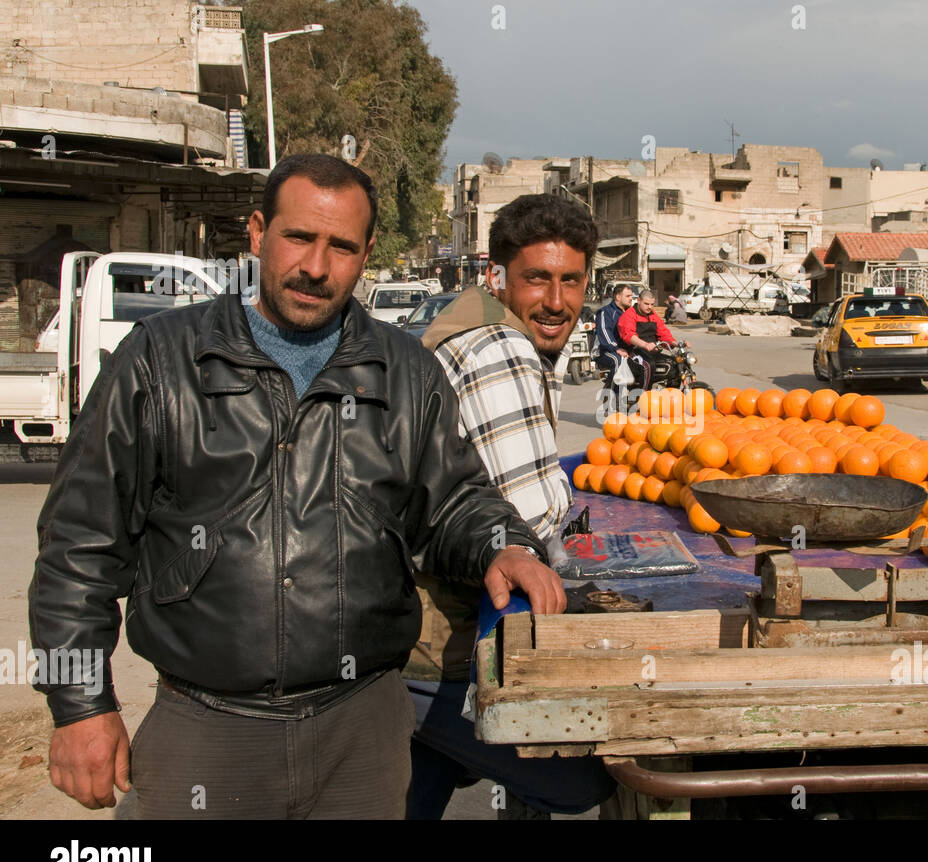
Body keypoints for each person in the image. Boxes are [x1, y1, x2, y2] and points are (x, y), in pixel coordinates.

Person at [28, 153, 563, 819]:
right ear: (257, 233)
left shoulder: (403, 372)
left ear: (367, 253)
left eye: (341, 247)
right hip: (206, 728)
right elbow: (79, 544)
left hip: (363, 730)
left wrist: (502, 544)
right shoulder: (162, 361)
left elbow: (452, 498)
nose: (316, 266)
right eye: (298, 237)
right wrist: (79, 705)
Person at [407, 193, 616, 819]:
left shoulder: (469, 320)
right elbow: (534, 519)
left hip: (416, 623)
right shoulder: (499, 347)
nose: (556, 303)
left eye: (571, 281)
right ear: (499, 276)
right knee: (585, 781)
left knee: (420, 783)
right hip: (435, 641)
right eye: (537, 280)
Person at [617, 288, 688, 389]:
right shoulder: (629, 315)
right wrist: (645, 345)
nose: (650, 307)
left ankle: (671, 396)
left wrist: (676, 343)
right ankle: (645, 396)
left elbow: (663, 332)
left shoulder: (653, 315)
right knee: (648, 365)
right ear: (639, 301)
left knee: (675, 363)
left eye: (652, 304)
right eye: (646, 304)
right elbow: (629, 335)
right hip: (633, 351)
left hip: (651, 352)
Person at [594, 282, 647, 392]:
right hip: (606, 350)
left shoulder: (631, 312)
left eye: (631, 296)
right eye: (627, 296)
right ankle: (612, 395)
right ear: (618, 297)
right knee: (618, 361)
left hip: (627, 349)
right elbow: (604, 333)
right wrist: (616, 348)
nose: (631, 299)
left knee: (645, 361)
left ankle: (639, 394)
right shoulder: (605, 312)